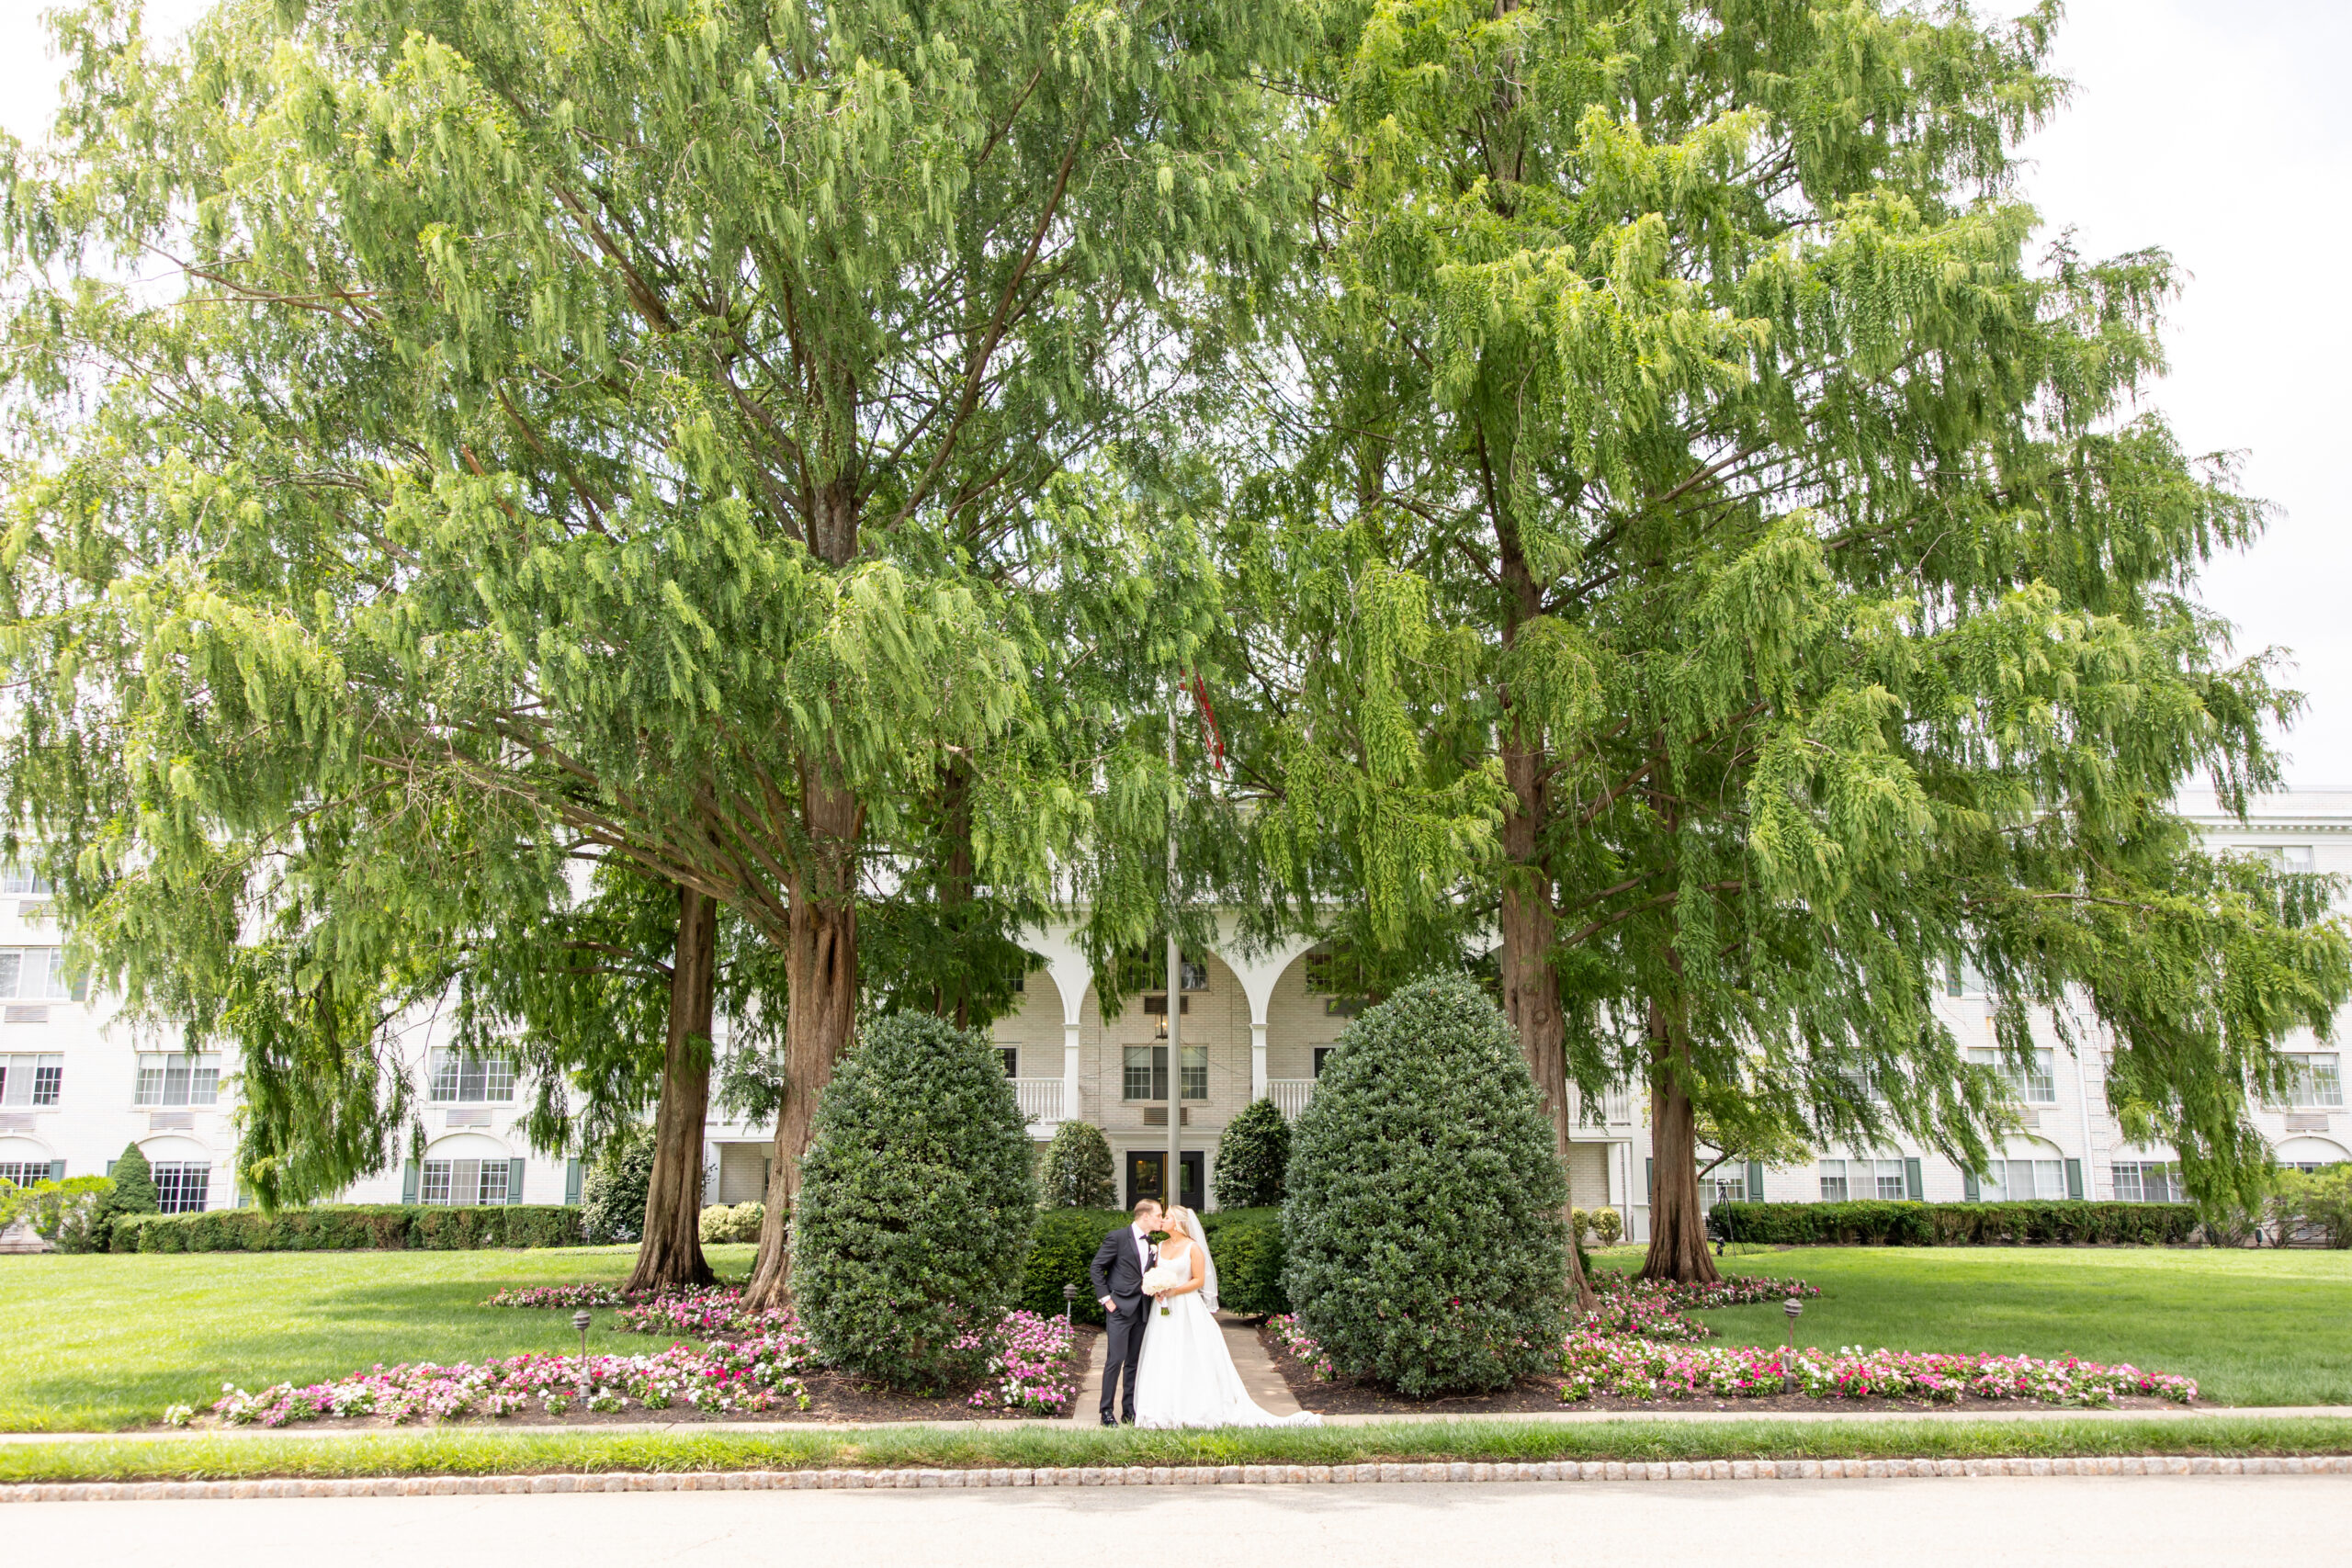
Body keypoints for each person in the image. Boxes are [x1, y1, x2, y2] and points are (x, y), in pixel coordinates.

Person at [1130, 1205, 1321, 1428]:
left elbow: (1199, 1280)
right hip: (1162, 1309)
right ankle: (1161, 1409)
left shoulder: (1193, 1248)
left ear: (1179, 1223)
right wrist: (1157, 1287)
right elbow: (1154, 1273)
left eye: (1168, 1217)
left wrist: (1174, 1290)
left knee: (1189, 1353)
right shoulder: (1160, 1246)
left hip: (1186, 1307)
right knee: (1165, 1353)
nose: (1163, 1220)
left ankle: (1194, 1408)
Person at [1089, 1198, 1162, 1426]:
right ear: (1145, 1216)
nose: (1161, 1219)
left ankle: (1128, 1410)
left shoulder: (1152, 1243)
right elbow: (1096, 1267)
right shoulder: (1118, 1237)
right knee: (1115, 1360)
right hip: (1119, 1308)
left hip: (1142, 1308)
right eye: (1159, 1215)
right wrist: (1106, 1299)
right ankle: (1106, 1411)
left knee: (1133, 1362)